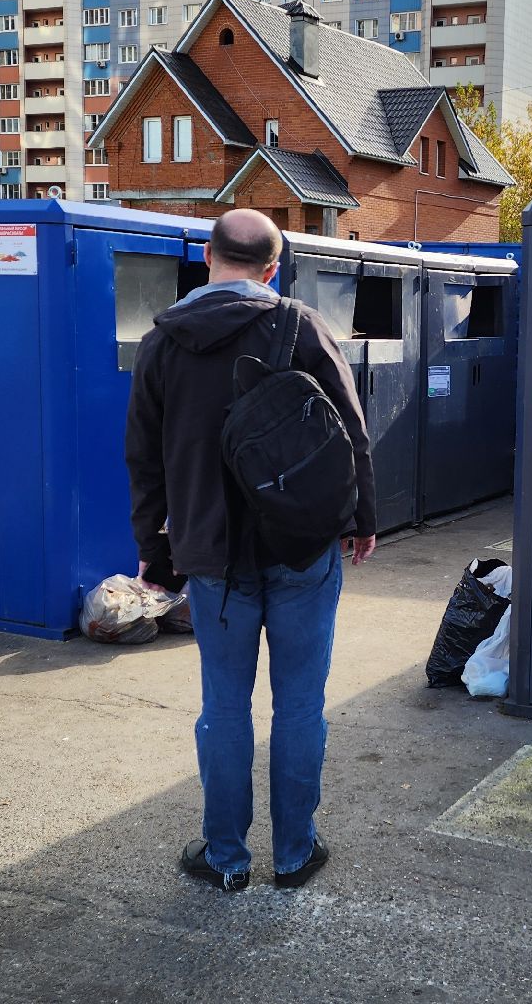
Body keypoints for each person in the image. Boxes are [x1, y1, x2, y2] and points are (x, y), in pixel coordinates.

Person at [126, 208, 377, 892]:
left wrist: (156, 548)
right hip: (303, 550)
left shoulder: (163, 343)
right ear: (273, 269)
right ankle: (295, 854)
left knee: (224, 708)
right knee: (300, 705)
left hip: (213, 557)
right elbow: (352, 431)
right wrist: (362, 519)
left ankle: (226, 857)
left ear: (208, 257)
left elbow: (143, 461)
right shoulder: (302, 326)